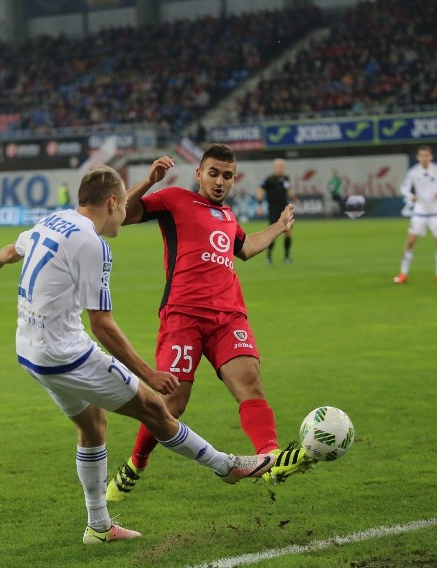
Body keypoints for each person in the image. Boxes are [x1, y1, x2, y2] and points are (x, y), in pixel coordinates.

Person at [0, 165, 275, 544]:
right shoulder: (93, 244)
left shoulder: (53, 220)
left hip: (30, 351)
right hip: (67, 354)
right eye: (123, 205)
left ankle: (99, 527)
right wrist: (149, 374)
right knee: (154, 408)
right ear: (112, 202)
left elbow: (11, 250)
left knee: (93, 426)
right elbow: (102, 325)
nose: (126, 214)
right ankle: (225, 466)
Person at [106, 144, 311, 503]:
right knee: (172, 403)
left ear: (234, 180)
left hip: (229, 317)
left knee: (250, 382)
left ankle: (271, 456)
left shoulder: (229, 217)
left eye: (227, 176)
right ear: (198, 174)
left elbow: (245, 249)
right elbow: (117, 217)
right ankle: (136, 464)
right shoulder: (173, 199)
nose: (219, 181)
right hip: (183, 317)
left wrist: (279, 227)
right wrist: (149, 181)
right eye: (213, 173)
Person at [393, 145, 437, 285]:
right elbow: (404, 188)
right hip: (420, 211)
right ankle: (403, 274)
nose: (424, 158)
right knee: (410, 242)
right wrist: (411, 196)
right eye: (422, 156)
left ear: (431, 157)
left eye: (427, 156)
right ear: (418, 157)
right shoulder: (414, 172)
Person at [256, 158, 300, 264]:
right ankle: (269, 257)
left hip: (285, 209)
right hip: (274, 209)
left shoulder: (286, 178)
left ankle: (287, 256)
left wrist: (294, 198)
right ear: (275, 167)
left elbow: (288, 191)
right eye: (279, 166)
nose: (281, 168)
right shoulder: (269, 179)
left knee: (288, 232)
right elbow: (260, 191)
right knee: (273, 233)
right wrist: (259, 205)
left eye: (282, 166)